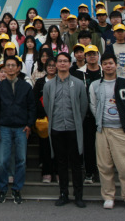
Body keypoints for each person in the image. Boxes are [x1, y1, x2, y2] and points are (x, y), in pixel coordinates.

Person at [89, 53, 125, 211]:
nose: (108, 66)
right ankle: (108, 196)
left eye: (111, 63)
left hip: (121, 130)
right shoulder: (95, 85)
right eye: (105, 63)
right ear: (101, 66)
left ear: (116, 65)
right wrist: (100, 120)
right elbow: (93, 105)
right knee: (104, 166)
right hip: (102, 129)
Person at [43, 52, 88, 208]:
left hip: (73, 128)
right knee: (61, 163)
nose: (62, 64)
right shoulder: (49, 85)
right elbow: (47, 105)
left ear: (69, 64)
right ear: (56, 64)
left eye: (65, 61)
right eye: (60, 61)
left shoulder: (78, 83)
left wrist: (77, 121)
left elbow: (83, 106)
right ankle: (63, 194)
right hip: (56, 128)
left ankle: (78, 195)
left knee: (76, 164)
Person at [0, 56, 36, 204]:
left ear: (18, 68)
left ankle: (17, 189)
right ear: (4, 68)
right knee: (2, 161)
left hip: (21, 128)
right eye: (8, 65)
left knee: (21, 160)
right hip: (4, 127)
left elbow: (32, 107)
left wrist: (29, 124)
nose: (10, 68)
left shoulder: (26, 86)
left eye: (13, 65)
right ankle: (2, 189)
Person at [72, 44, 103, 185]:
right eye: (89, 54)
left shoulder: (104, 71)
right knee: (89, 145)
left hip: (103, 114)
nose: (91, 57)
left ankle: (102, 172)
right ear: (85, 57)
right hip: (86, 115)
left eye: (94, 54)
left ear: (98, 55)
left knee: (103, 146)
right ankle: (90, 172)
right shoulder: (78, 73)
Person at [33, 57, 58, 183]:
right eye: (49, 65)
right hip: (44, 119)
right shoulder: (40, 82)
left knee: (59, 147)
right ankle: (47, 173)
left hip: (58, 118)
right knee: (45, 147)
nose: (51, 67)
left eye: (54, 65)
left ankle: (58, 172)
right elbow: (34, 99)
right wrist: (42, 112)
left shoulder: (61, 80)